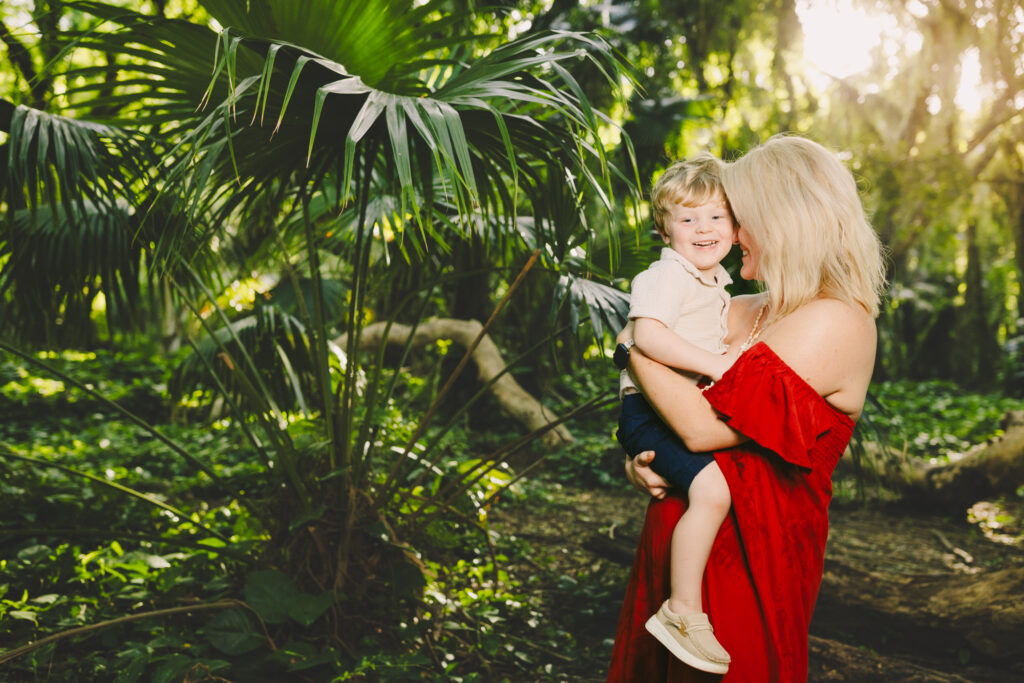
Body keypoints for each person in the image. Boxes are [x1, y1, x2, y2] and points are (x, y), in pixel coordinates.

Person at [607, 133, 886, 682]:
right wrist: (644, 454)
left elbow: (698, 426)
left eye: (737, 216)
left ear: (784, 220)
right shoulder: (732, 307)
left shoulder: (836, 320)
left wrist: (633, 344)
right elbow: (659, 400)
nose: (728, 234)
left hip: (752, 564)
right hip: (676, 544)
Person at [614, 153, 738, 674]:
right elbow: (646, 335)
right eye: (687, 219)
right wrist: (714, 364)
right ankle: (683, 610)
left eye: (716, 217)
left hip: (670, 408)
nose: (703, 228)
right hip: (648, 410)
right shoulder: (668, 276)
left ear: (736, 226)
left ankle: (686, 607)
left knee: (706, 491)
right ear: (665, 233)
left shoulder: (715, 283)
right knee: (713, 492)